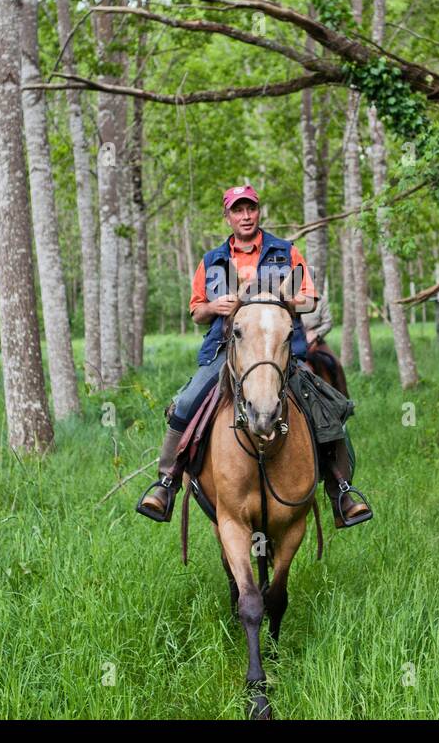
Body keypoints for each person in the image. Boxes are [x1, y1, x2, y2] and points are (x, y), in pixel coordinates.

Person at [136, 184, 372, 529]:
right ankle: (166, 482)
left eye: (251, 209)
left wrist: (286, 300)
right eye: (237, 210)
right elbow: (197, 312)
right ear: (228, 216)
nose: (245, 216)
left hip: (280, 352)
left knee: (328, 405)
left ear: (258, 212)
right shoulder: (213, 260)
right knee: (186, 403)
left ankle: (342, 489)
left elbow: (310, 300)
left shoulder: (285, 252)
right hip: (226, 352)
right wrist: (215, 306)